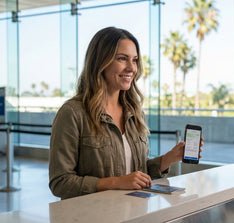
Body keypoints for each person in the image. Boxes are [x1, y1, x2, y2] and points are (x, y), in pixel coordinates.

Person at [49, 27, 203, 200]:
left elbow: (137, 173)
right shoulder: (73, 113)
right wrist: (115, 182)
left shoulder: (135, 113)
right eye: (122, 59)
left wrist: (169, 158)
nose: (131, 68)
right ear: (100, 61)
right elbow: (60, 182)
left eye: (135, 60)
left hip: (133, 212)